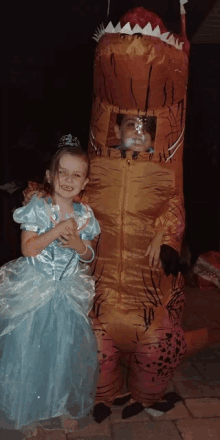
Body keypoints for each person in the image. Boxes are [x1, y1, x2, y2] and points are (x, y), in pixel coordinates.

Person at [0, 135, 100, 438]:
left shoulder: (85, 215)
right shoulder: (37, 207)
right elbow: (29, 248)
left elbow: (89, 256)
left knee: (64, 352)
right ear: (50, 175)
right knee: (31, 353)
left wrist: (78, 245)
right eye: (62, 172)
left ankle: (60, 407)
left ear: (84, 182)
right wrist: (56, 230)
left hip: (67, 293)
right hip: (35, 291)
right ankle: (27, 411)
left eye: (76, 175)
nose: (68, 179)